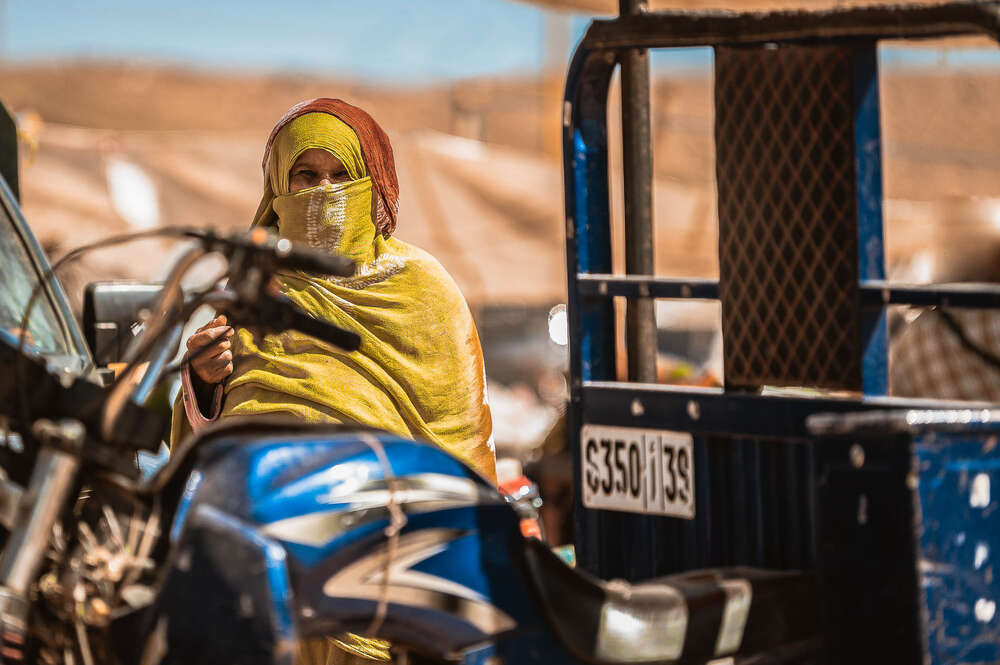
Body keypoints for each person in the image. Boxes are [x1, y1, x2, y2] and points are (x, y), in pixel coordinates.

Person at [172, 98, 496, 482]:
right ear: (279, 184)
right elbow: (205, 433)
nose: (325, 190)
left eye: (342, 175)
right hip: (255, 495)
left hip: (378, 500)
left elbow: (461, 434)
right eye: (306, 175)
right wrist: (203, 378)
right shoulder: (253, 283)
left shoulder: (422, 285)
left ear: (371, 184)